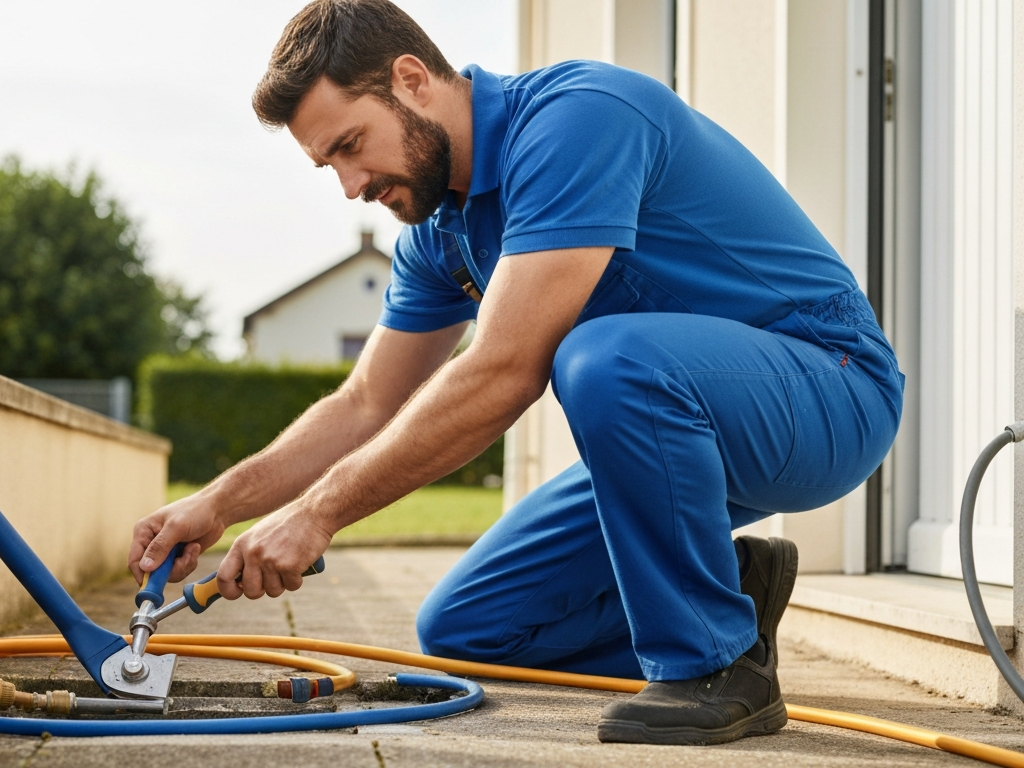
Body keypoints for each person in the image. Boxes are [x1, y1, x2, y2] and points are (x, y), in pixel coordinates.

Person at [127, 0, 903, 746]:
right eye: (329, 163)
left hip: (831, 387)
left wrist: (316, 514)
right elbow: (366, 402)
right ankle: (730, 590)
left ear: (410, 78)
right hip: (685, 427)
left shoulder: (577, 120)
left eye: (351, 145)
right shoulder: (440, 233)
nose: (351, 185)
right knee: (468, 629)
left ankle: (714, 668)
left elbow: (502, 371)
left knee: (601, 359)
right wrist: (220, 503)